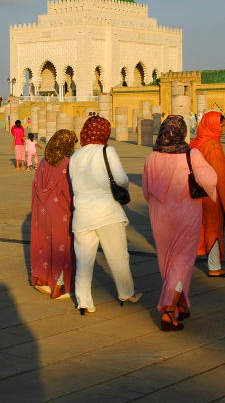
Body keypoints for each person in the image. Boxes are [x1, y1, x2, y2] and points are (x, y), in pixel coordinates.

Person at [143, 116, 218, 331]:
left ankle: (180, 304)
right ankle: (168, 310)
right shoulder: (191, 154)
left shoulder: (152, 157)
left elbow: (146, 191)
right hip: (186, 215)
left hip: (160, 215)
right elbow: (210, 180)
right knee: (182, 261)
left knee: (167, 261)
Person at [69, 116, 142, 315]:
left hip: (82, 214)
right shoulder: (107, 151)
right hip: (107, 212)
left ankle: (84, 302)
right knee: (118, 257)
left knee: (83, 262)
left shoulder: (75, 155)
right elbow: (121, 179)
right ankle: (126, 293)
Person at [31, 130, 78, 300]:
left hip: (42, 210)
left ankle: (41, 280)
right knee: (61, 247)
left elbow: (35, 185)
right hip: (60, 212)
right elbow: (67, 191)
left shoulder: (44, 162)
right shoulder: (65, 163)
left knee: (44, 244)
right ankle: (59, 287)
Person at [191, 112, 225, 278]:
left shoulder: (196, 143)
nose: (222, 129)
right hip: (211, 197)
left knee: (200, 229)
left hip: (196, 194)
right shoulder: (213, 147)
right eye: (221, 126)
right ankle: (215, 266)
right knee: (214, 229)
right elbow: (220, 179)